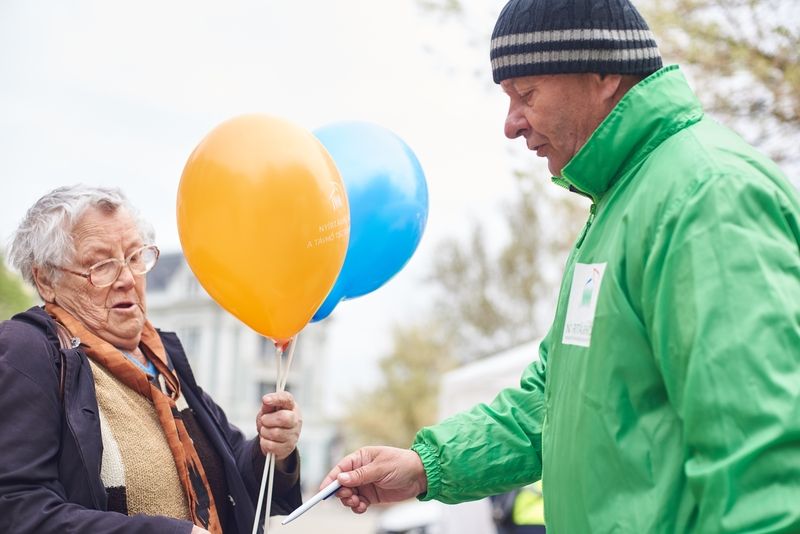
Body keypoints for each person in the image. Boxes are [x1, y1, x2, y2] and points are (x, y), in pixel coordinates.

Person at [320, 0, 800, 531]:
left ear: (604, 73)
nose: (511, 124)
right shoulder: (621, 207)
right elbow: (550, 407)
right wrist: (425, 466)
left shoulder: (706, 197)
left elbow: (764, 461)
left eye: (526, 95)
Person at [0, 185, 303, 533]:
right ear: (45, 279)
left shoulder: (162, 356)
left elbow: (236, 477)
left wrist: (274, 452)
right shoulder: (28, 350)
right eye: (101, 265)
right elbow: (18, 510)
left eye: (134, 257)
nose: (127, 279)